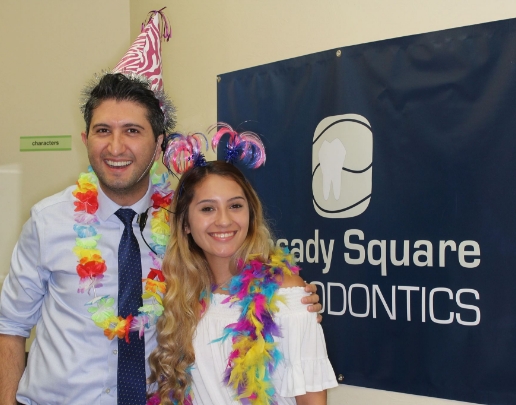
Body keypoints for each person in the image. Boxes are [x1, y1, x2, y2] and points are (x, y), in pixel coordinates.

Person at [0, 12, 322, 405]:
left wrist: (290, 306)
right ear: (85, 138)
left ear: (158, 144)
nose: (116, 148)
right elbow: (9, 326)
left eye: (132, 131)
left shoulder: (182, 219)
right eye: (103, 130)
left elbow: (233, 265)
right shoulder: (48, 221)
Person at [148, 131, 337, 405]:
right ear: (186, 224)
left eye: (235, 206)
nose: (223, 220)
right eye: (207, 209)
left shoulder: (289, 296)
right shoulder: (180, 298)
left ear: (251, 213)